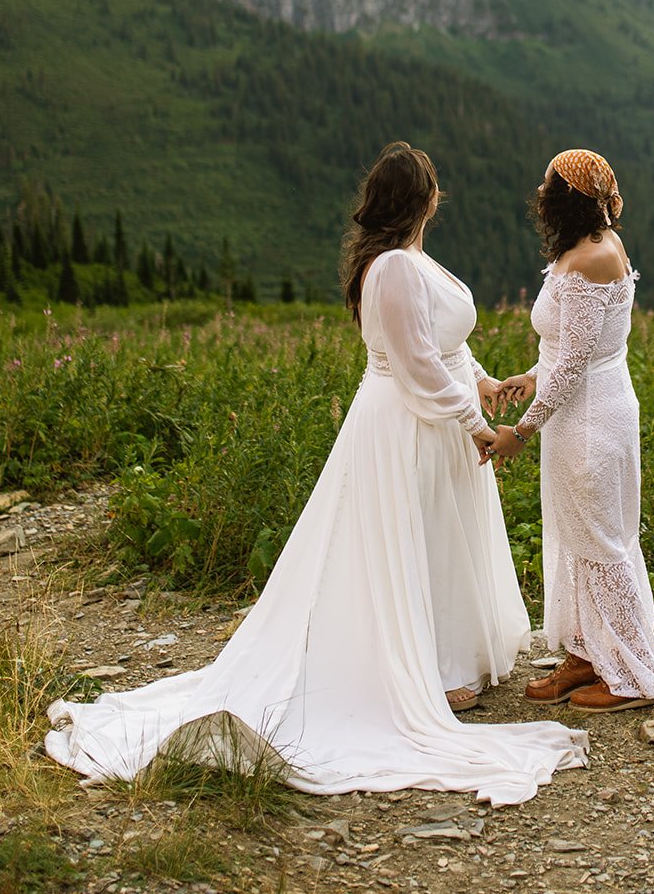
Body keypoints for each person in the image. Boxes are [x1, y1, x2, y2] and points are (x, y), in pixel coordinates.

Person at [45, 142, 588, 806]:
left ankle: (451, 659)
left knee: (442, 539)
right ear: (422, 199)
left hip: (437, 420)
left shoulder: (413, 260)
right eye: (432, 191)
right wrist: (475, 425)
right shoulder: (388, 267)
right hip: (403, 426)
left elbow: (445, 343)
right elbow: (414, 362)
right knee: (408, 539)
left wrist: (482, 382)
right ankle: (421, 671)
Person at [491, 149, 654, 713]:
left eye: (548, 187)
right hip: (593, 407)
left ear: (563, 199)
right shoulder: (595, 244)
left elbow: (572, 366)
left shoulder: (589, 259)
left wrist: (519, 431)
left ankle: (633, 677)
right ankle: (588, 654)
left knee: (599, 541)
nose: (540, 194)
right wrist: (530, 374)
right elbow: (569, 352)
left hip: (589, 420)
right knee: (580, 536)